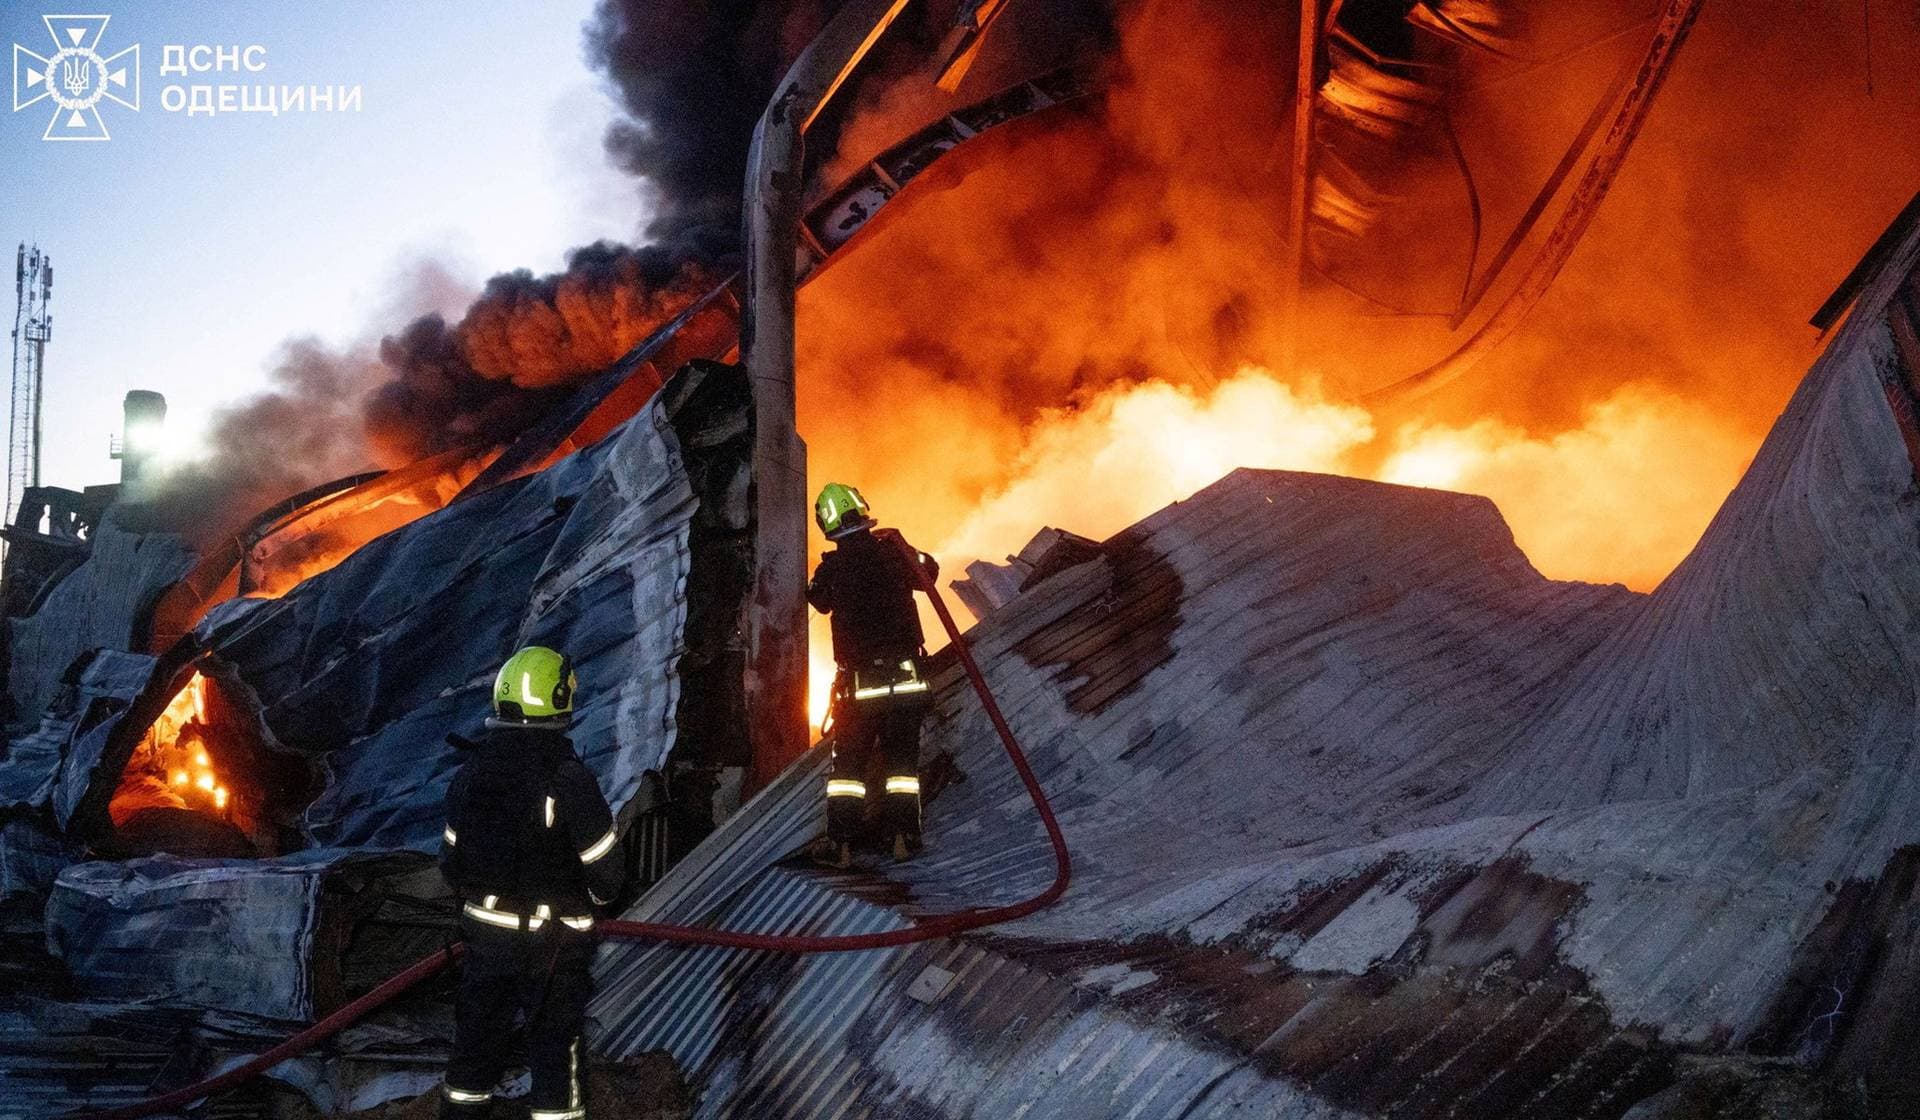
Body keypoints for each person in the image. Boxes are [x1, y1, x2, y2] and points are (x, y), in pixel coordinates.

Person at [437, 645, 626, 1120]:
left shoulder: (470, 774)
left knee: (473, 1053)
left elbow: (450, 864)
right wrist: (594, 901)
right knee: (553, 1055)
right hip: (553, 945)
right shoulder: (568, 778)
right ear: (560, 700)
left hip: (484, 940)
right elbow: (608, 875)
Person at [806, 483, 940, 865]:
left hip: (860, 689)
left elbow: (816, 598)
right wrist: (904, 546)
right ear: (863, 510)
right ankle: (903, 839)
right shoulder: (894, 555)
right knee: (902, 766)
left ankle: (841, 846)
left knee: (848, 770)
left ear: (825, 523)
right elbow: (928, 571)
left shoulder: (831, 569)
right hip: (907, 681)